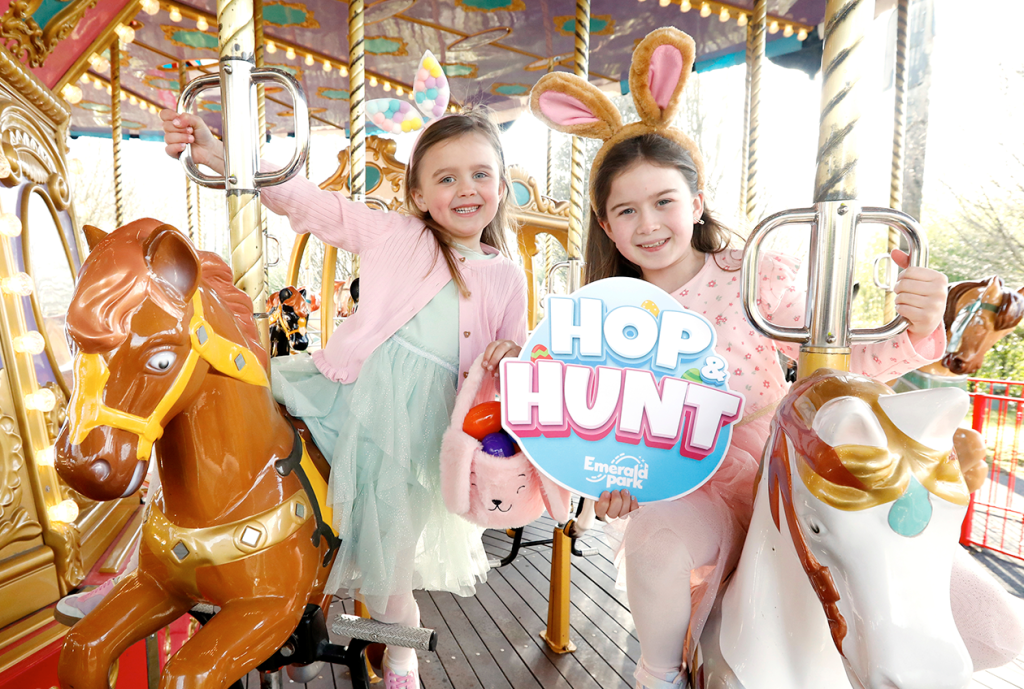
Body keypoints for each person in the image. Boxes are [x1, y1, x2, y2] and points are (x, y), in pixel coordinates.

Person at [531, 27, 1023, 689]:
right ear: (606, 224)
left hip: (777, 461)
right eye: (626, 210)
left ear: (696, 203)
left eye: (663, 201)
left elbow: (839, 364)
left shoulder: (750, 274)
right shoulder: (603, 311)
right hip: (682, 481)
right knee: (657, 546)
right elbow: (587, 421)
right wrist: (607, 481)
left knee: (985, 621)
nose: (647, 223)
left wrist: (917, 327)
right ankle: (659, 673)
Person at [162, 107, 526, 688]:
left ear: (501, 187)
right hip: (346, 397)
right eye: (446, 177)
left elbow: (514, 358)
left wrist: (510, 355)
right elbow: (312, 204)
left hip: (419, 435)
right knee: (236, 423)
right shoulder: (397, 235)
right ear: (418, 194)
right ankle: (167, 559)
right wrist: (226, 158)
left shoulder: (506, 275)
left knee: (386, 579)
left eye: (481, 174)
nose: (466, 189)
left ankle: (401, 656)